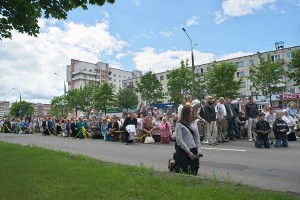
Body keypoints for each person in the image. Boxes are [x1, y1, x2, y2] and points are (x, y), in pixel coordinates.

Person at [168, 105, 202, 175]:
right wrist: (188, 152)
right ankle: (172, 163)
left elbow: (197, 137)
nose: (191, 114)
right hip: (183, 150)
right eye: (190, 112)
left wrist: (199, 150)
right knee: (182, 171)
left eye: (192, 112)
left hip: (193, 148)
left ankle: (176, 160)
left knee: (194, 172)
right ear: (185, 113)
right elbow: (179, 140)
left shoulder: (194, 123)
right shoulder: (179, 124)